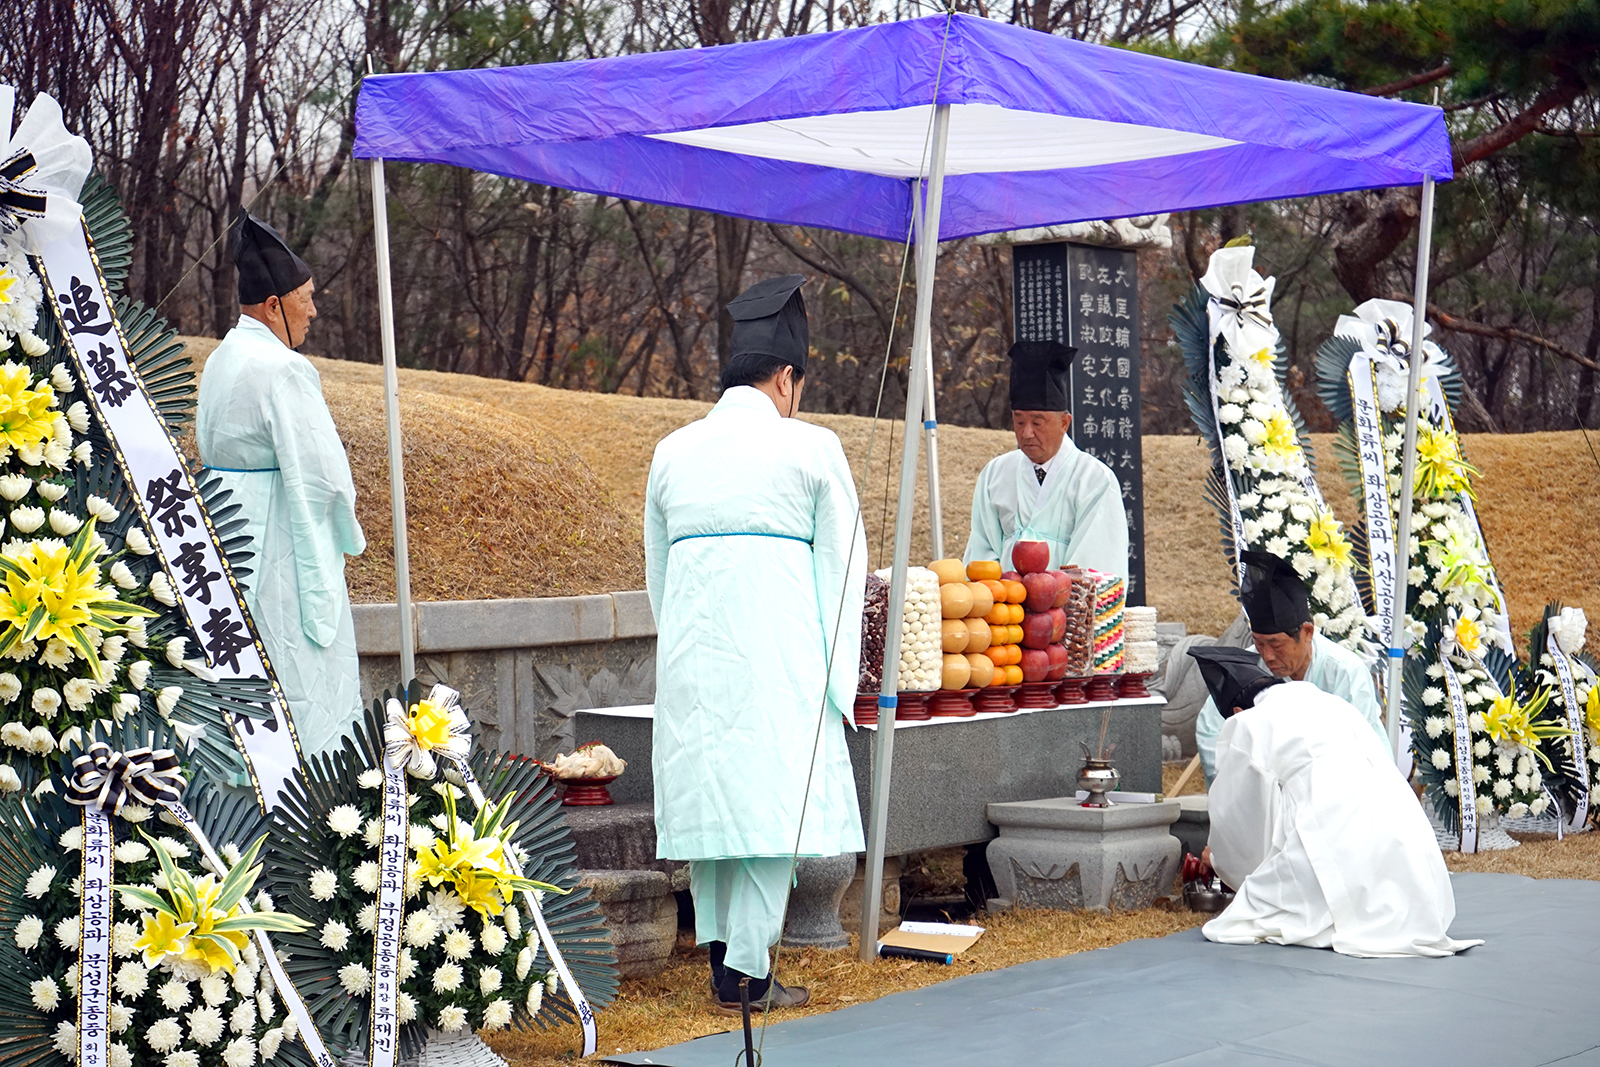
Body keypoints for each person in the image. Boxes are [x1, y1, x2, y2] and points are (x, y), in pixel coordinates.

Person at [644, 274, 866, 1015]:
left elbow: (657, 573)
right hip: (780, 660)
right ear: (786, 378)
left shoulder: (672, 451)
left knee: (716, 812)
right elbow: (844, 569)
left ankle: (726, 964)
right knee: (772, 816)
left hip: (696, 658)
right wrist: (837, 673)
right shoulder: (814, 447)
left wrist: (682, 644)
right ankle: (747, 972)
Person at [196, 211, 366, 759]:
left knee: (235, 667)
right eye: (305, 299)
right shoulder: (283, 369)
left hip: (220, 529)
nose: (312, 311)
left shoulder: (221, 358)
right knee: (295, 667)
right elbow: (322, 477)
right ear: (274, 305)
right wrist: (345, 530)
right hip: (278, 537)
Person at [1189, 645, 1480, 958]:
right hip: (1406, 832)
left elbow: (1240, 810)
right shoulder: (1327, 701)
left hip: (1337, 828)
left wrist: (1217, 857)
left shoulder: (1249, 722)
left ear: (1236, 711)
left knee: (1268, 906)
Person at [1195, 550, 1381, 784]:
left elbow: (1360, 748)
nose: (1267, 656)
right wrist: (1243, 783)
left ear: (1307, 632)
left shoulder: (1344, 671)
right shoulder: (1248, 666)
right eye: (1259, 643)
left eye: (1276, 644)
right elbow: (1210, 729)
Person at [964, 341, 1127, 575]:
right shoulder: (995, 474)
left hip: (1066, 598)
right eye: (1019, 421)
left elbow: (1096, 558)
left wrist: (1050, 592)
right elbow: (981, 549)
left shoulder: (1094, 479)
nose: (1026, 433)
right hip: (1005, 597)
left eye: (1037, 422)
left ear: (1064, 423)